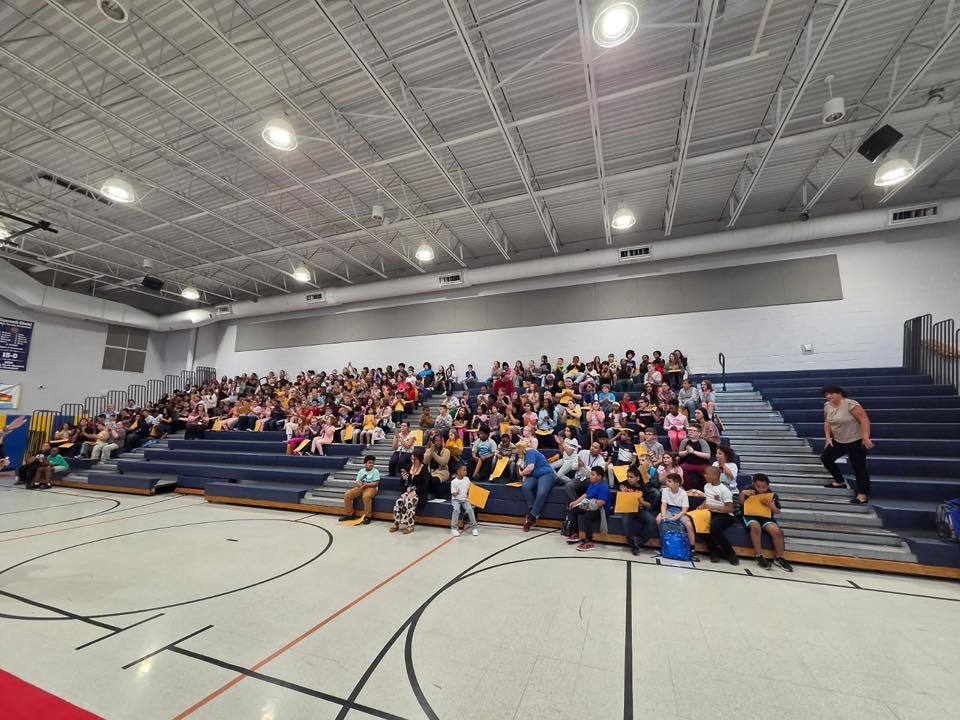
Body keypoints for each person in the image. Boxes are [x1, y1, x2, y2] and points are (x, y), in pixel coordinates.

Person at [820, 385, 873, 504]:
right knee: (826, 458)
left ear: (839, 393)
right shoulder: (827, 406)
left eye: (831, 393)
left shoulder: (851, 404)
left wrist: (865, 437)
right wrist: (828, 437)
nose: (828, 396)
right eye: (826, 394)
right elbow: (827, 422)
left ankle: (862, 495)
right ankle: (840, 482)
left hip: (855, 440)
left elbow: (864, 420)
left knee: (858, 467)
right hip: (838, 440)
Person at [739, 473, 793, 571]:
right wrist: (742, 494)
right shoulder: (748, 490)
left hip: (766, 517)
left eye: (764, 487)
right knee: (755, 527)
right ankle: (759, 555)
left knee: (776, 531)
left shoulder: (772, 495)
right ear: (753, 484)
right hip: (750, 515)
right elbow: (741, 503)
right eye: (758, 486)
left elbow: (778, 511)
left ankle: (779, 557)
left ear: (768, 485)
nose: (760, 489)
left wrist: (772, 506)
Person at [695, 466, 739, 565]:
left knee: (714, 527)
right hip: (710, 512)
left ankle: (730, 553)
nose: (704, 475)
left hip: (725, 514)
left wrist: (713, 506)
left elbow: (730, 508)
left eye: (707, 474)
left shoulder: (724, 490)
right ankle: (714, 551)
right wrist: (701, 506)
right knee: (698, 524)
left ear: (715, 476)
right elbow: (707, 500)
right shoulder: (706, 486)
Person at [617, 466, 658, 556]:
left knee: (651, 521)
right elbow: (620, 499)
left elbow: (649, 506)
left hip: (639, 509)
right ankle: (633, 546)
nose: (629, 479)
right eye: (627, 476)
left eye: (631, 477)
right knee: (626, 523)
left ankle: (640, 542)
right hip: (627, 509)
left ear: (638, 478)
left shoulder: (643, 489)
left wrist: (642, 502)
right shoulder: (625, 485)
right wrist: (623, 493)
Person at [518, 439, 558, 531]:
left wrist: (521, 473)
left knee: (541, 493)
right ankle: (534, 510)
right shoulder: (523, 455)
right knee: (526, 487)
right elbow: (521, 466)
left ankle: (531, 517)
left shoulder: (531, 451)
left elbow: (530, 467)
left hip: (546, 474)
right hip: (534, 475)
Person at [567, 466, 609, 551]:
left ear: (599, 477)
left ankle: (589, 541)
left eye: (593, 474)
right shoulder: (592, 484)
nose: (590, 476)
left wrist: (588, 506)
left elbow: (601, 503)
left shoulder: (603, 487)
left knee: (587, 516)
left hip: (600, 510)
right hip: (590, 506)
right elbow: (586, 495)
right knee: (573, 510)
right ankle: (576, 534)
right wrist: (576, 502)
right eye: (591, 474)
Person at [657, 472, 697, 559]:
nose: (666, 482)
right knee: (658, 519)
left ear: (677, 484)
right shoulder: (665, 490)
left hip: (680, 511)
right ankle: (663, 542)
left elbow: (684, 510)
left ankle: (692, 548)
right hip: (669, 509)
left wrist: (675, 517)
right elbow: (664, 505)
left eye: (669, 481)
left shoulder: (683, 493)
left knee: (689, 525)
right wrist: (664, 516)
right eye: (667, 480)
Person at [391, 450, 430, 534]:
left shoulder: (424, 469)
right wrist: (404, 478)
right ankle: (396, 523)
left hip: (420, 492)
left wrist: (416, 491)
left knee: (409, 502)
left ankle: (410, 525)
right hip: (408, 491)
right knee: (399, 501)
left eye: (415, 459)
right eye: (412, 459)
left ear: (420, 459)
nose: (413, 461)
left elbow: (426, 485)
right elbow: (403, 483)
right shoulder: (408, 467)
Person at [340, 455, 379, 523]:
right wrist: (359, 484)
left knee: (366, 496)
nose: (371, 464)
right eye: (370, 463)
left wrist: (366, 485)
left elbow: (376, 483)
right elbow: (357, 481)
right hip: (361, 487)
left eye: (373, 463)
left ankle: (368, 516)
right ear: (365, 463)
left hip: (371, 487)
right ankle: (350, 514)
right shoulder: (361, 471)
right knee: (347, 495)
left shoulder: (375, 471)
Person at [677, 424, 711, 490]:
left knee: (707, 472)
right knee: (681, 469)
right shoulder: (684, 441)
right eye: (689, 430)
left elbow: (707, 456)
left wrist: (693, 452)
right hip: (687, 463)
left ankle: (705, 490)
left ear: (699, 433)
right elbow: (680, 454)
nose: (691, 432)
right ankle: (687, 490)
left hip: (701, 464)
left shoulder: (702, 442)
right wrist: (687, 451)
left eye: (693, 430)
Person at [449, 463, 479, 537]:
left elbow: (470, 488)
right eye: (464, 470)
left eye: (466, 470)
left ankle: (474, 528)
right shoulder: (453, 482)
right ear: (458, 471)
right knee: (456, 510)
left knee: (470, 509)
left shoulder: (467, 479)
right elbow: (453, 494)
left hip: (465, 499)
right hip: (456, 499)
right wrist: (457, 493)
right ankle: (454, 528)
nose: (466, 471)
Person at [423, 432, 452, 499]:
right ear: (433, 442)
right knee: (424, 479)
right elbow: (425, 461)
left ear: (442, 442)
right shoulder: (429, 450)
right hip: (431, 471)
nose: (438, 442)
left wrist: (433, 454)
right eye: (436, 440)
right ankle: (430, 494)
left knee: (434, 480)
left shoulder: (446, 451)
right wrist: (431, 452)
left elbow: (443, 462)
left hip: (443, 472)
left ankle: (440, 496)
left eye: (439, 440)